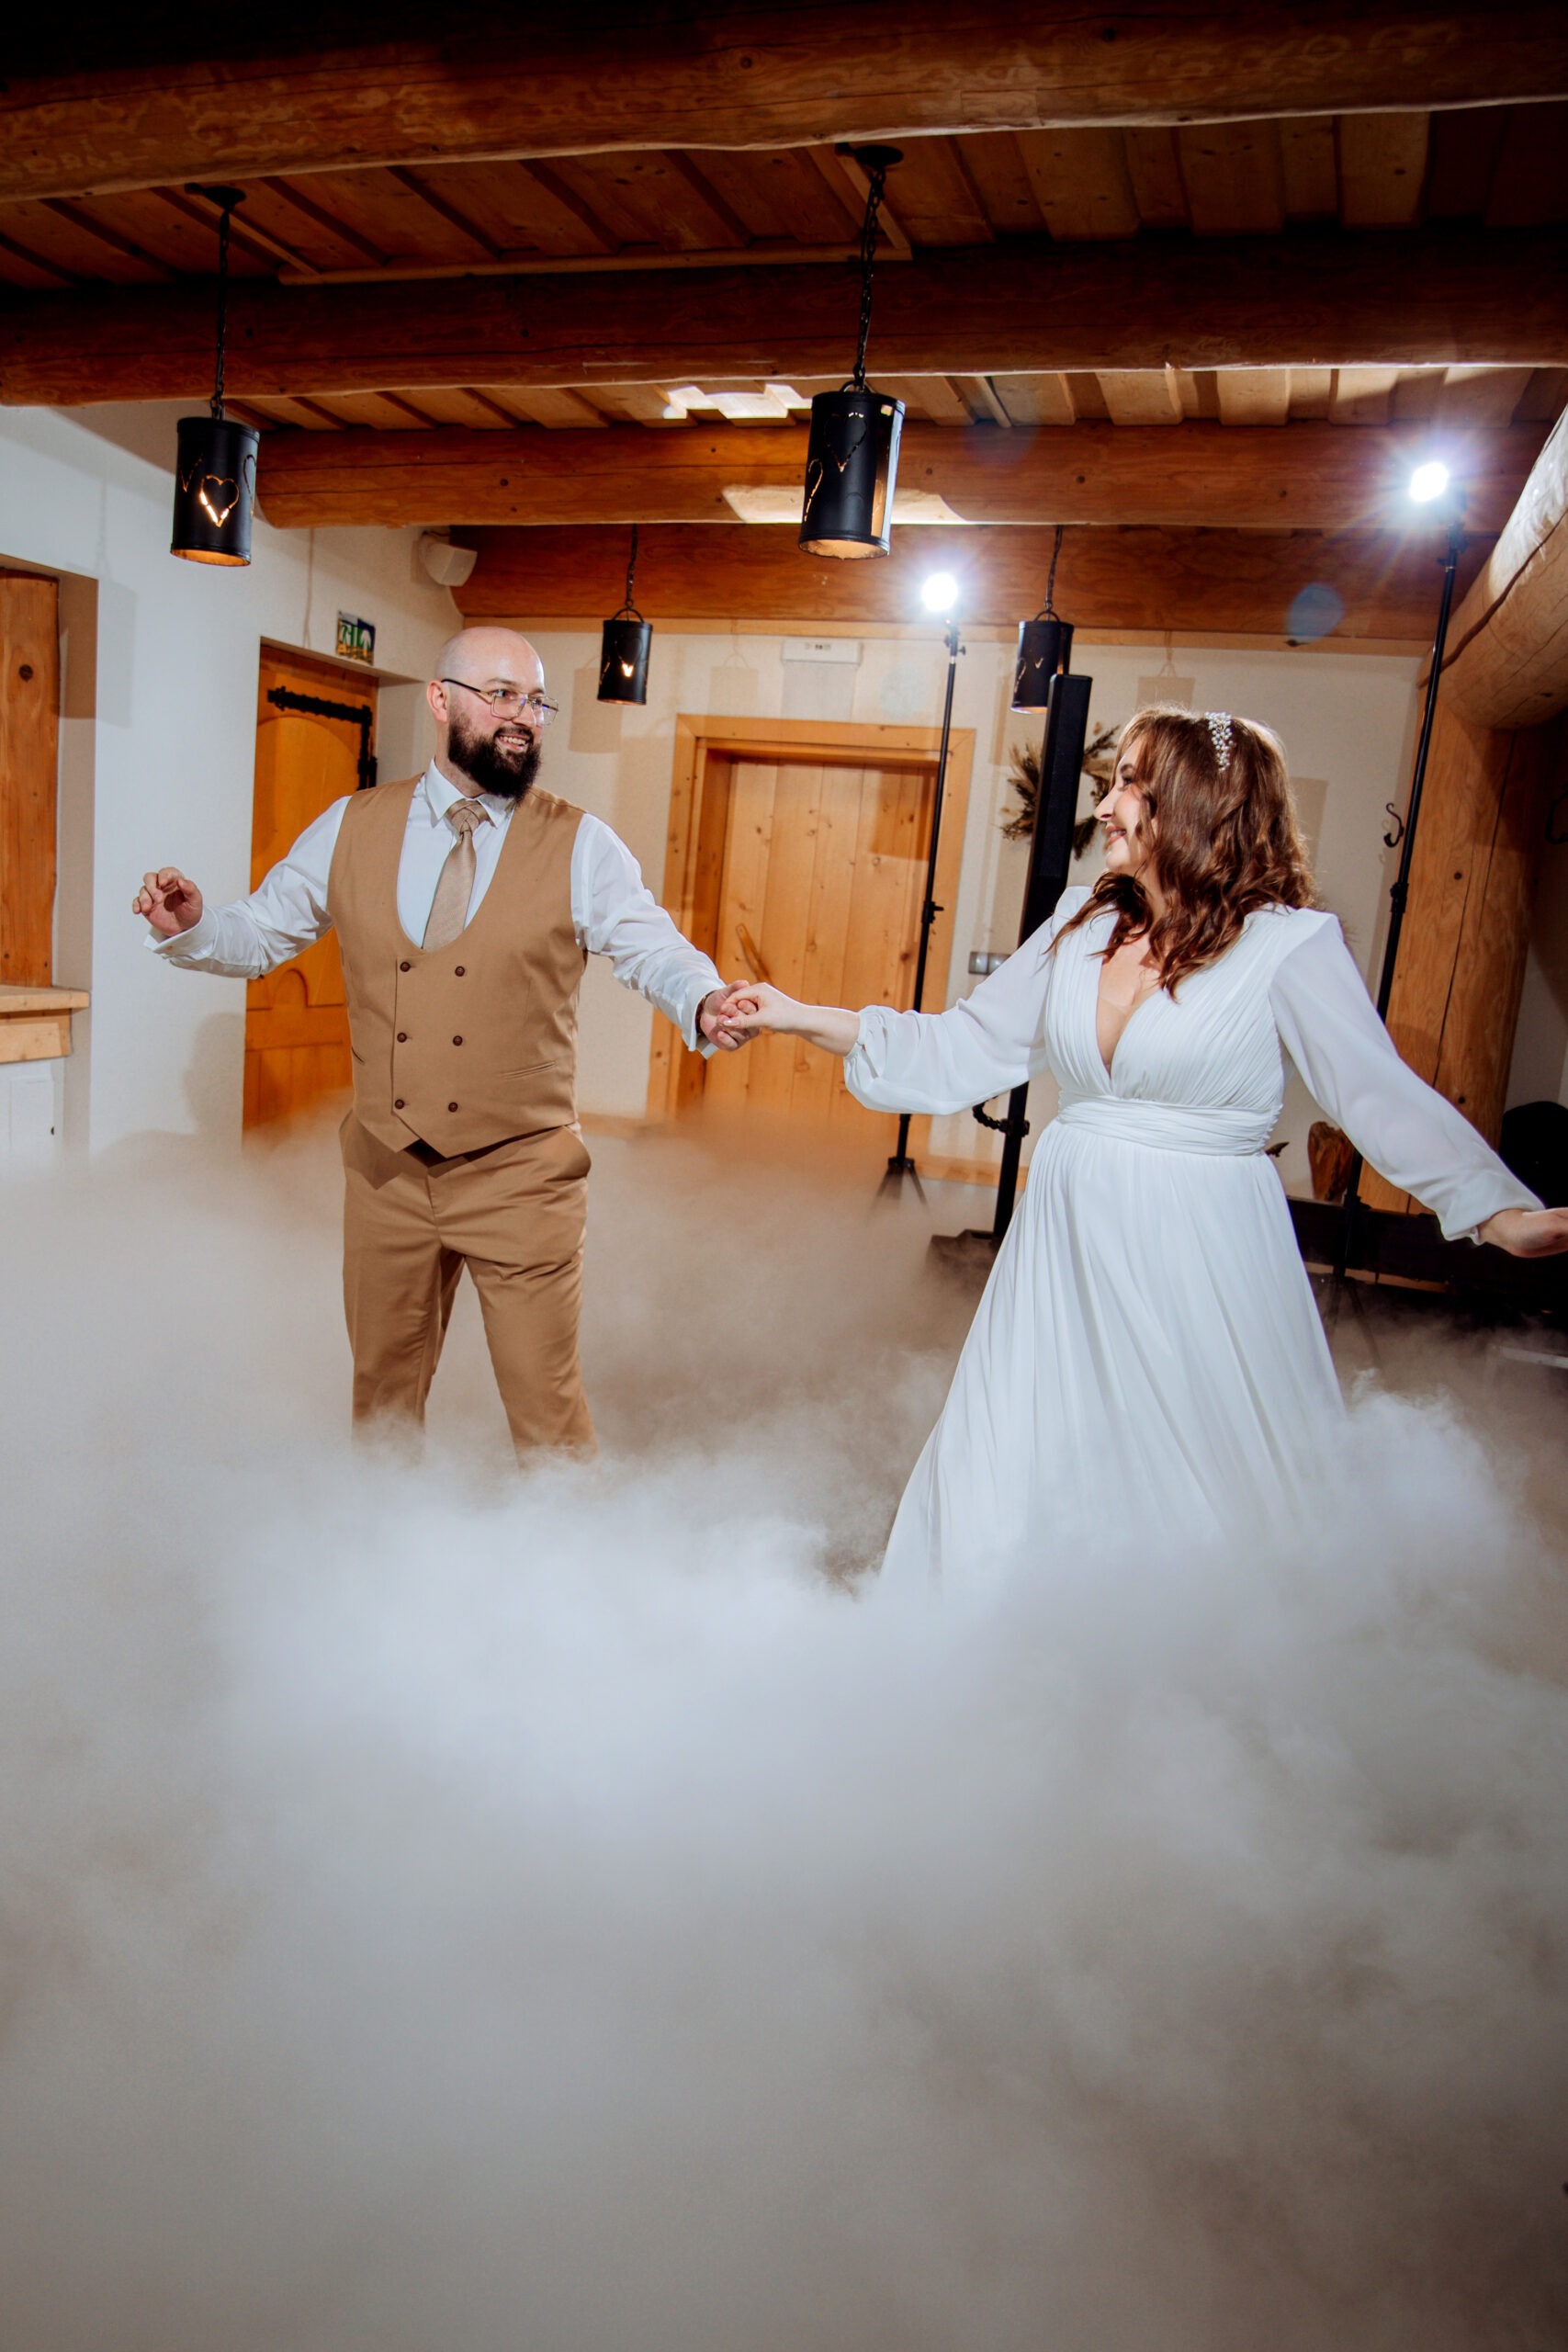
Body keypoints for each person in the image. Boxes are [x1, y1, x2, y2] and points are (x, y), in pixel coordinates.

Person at [725, 707, 1568, 1587]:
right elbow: (961, 1045)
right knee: (1012, 1451)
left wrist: (1499, 1212)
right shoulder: (1079, 924)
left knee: (1193, 1487)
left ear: (1198, 801)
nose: (1105, 802)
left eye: (1129, 781)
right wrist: (800, 1016)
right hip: (1061, 1251)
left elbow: (1376, 1094)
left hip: (1198, 1251)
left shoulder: (1288, 945)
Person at [135, 626, 749, 1458]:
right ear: (439, 699)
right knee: (381, 1399)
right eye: (500, 695)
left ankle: (563, 1538)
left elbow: (653, 949)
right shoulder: (351, 825)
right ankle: (384, 1532)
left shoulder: (581, 844)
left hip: (521, 1178)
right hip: (385, 1173)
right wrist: (193, 926)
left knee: (545, 1408)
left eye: (535, 701)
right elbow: (262, 933)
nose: (522, 716)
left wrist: (702, 996)